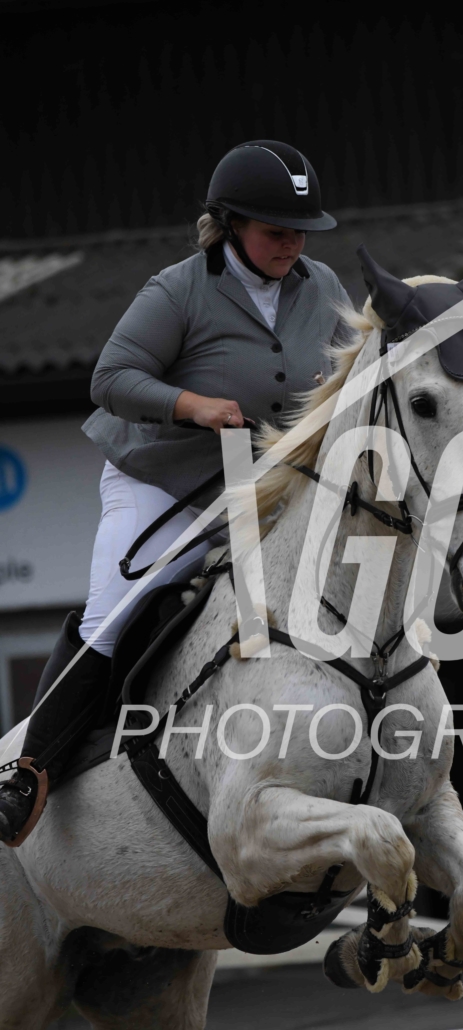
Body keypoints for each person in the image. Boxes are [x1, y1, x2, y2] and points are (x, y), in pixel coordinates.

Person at [0, 140, 349, 844]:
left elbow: (351, 372)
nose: (291, 245)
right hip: (164, 483)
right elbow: (111, 379)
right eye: (275, 231)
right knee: (113, 614)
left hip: (261, 485)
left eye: (300, 231)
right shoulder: (177, 289)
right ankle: (26, 775)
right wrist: (193, 404)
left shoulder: (323, 287)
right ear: (230, 225)